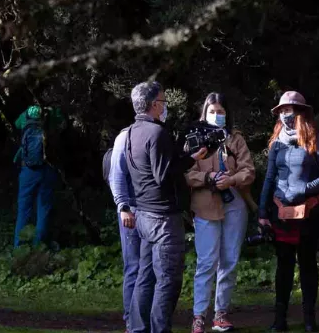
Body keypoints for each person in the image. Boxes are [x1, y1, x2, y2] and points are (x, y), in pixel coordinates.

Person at [126, 81, 209, 333]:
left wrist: (187, 158)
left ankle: (138, 328)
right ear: (153, 105)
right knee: (168, 281)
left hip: (143, 213)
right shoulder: (157, 133)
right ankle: (160, 329)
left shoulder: (132, 131)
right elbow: (163, 174)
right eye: (163, 102)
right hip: (163, 218)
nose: (165, 107)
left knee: (146, 277)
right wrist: (188, 162)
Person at [258, 91, 319, 333]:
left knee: (307, 265)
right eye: (281, 110)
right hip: (280, 214)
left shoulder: (316, 140)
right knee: (284, 266)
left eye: (289, 110)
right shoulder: (277, 143)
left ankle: (309, 320)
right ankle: (279, 320)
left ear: (301, 113)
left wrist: (304, 189)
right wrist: (262, 212)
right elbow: (269, 177)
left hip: (308, 214)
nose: (285, 114)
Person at [185, 93, 255, 333]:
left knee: (229, 261)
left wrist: (232, 179)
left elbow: (249, 170)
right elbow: (185, 173)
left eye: (221, 111)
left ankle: (221, 314)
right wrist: (208, 177)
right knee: (206, 262)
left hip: (234, 203)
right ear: (204, 112)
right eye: (213, 111)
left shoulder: (235, 139)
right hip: (205, 205)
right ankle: (198, 316)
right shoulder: (194, 138)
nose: (217, 115)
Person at [13, 104, 63, 248]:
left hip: (27, 169)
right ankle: (39, 247)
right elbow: (62, 121)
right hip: (47, 168)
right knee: (44, 208)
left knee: (23, 209)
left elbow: (17, 124)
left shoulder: (26, 113)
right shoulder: (51, 112)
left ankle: (19, 248)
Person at [107, 123, 140, 333]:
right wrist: (123, 207)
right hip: (131, 210)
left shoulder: (156, 133)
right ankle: (130, 320)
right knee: (134, 266)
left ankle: (142, 318)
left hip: (150, 211)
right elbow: (116, 176)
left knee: (148, 268)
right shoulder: (125, 137)